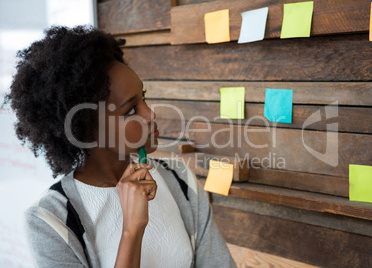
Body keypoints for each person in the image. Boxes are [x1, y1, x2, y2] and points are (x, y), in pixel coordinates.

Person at [4, 25, 237, 268]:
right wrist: (132, 230)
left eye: (143, 97)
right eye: (131, 110)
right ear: (86, 129)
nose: (150, 114)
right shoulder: (50, 220)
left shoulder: (178, 180)